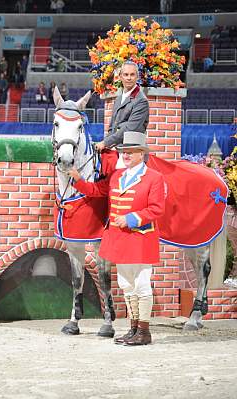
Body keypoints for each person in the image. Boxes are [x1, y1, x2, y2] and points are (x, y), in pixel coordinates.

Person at [69, 131, 165, 346]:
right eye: (124, 151)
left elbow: (157, 209)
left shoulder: (154, 178)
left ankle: (144, 331)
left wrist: (131, 218)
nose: (126, 154)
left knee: (141, 285)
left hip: (140, 238)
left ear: (142, 153)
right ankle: (133, 329)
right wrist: (77, 180)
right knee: (125, 284)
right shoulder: (117, 176)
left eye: (131, 151)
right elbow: (95, 190)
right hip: (119, 239)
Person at [95, 61, 149, 152]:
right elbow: (112, 127)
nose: (129, 78)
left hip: (132, 152)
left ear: (137, 77)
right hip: (117, 149)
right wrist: (106, 143)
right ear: (120, 77)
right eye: (126, 74)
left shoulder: (141, 101)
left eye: (132, 75)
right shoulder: (118, 99)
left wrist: (105, 143)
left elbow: (129, 128)